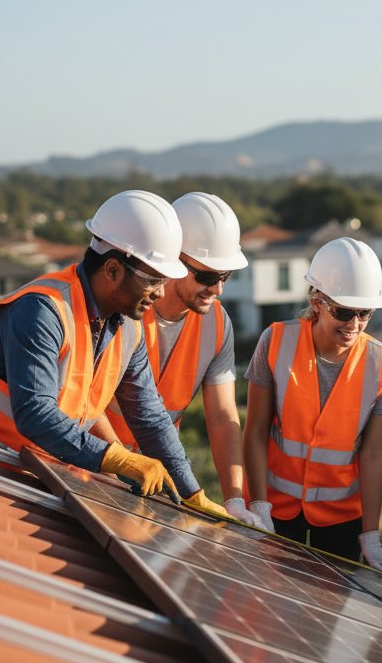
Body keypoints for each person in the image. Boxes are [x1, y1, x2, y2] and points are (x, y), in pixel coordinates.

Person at [0, 190, 229, 519]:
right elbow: (35, 414)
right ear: (113, 270)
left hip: (15, 475)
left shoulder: (128, 326)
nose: (159, 293)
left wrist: (192, 492)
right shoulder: (42, 311)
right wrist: (116, 458)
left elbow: (150, 418)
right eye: (153, 281)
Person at [98, 191, 268, 529]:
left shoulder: (218, 324)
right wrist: (121, 463)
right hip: (97, 465)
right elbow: (86, 404)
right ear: (172, 260)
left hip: (158, 476)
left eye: (225, 277)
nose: (217, 289)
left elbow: (222, 416)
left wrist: (234, 497)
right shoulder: (122, 309)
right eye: (206, 277)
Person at [243, 236, 382, 573]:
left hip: (341, 520)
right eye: (344, 312)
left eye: (365, 313)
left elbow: (373, 453)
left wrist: (371, 535)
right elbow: (255, 431)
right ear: (317, 302)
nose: (354, 324)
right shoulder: (275, 341)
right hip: (274, 509)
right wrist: (258, 505)